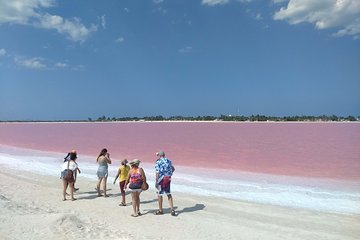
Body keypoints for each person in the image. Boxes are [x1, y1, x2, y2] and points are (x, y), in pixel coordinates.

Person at [155, 151, 176, 216]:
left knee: (160, 194)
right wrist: (170, 174)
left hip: (161, 179)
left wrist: (156, 181)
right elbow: (173, 168)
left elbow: (157, 172)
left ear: (159, 155)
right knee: (168, 193)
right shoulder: (169, 161)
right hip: (168, 179)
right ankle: (172, 209)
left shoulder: (158, 162)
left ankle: (160, 210)